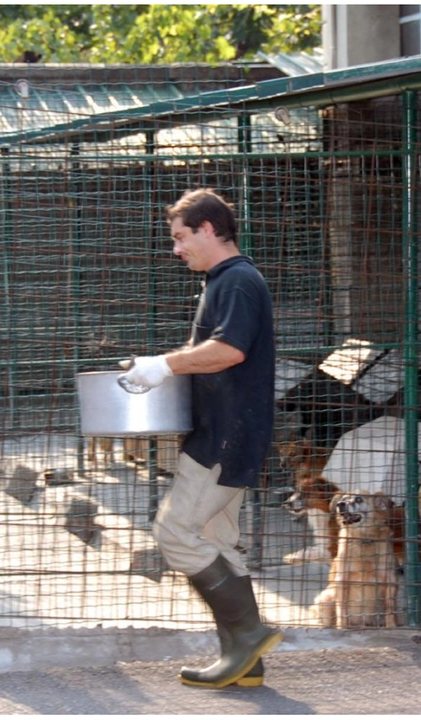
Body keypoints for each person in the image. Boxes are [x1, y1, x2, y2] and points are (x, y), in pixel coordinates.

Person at [121, 188, 280, 689]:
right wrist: (159, 368)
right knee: (214, 540)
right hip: (225, 432)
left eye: (181, 236)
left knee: (174, 532)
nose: (176, 248)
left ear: (209, 228)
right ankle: (244, 660)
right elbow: (213, 351)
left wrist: (164, 364)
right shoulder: (227, 280)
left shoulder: (235, 282)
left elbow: (229, 350)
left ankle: (250, 633)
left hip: (224, 438)